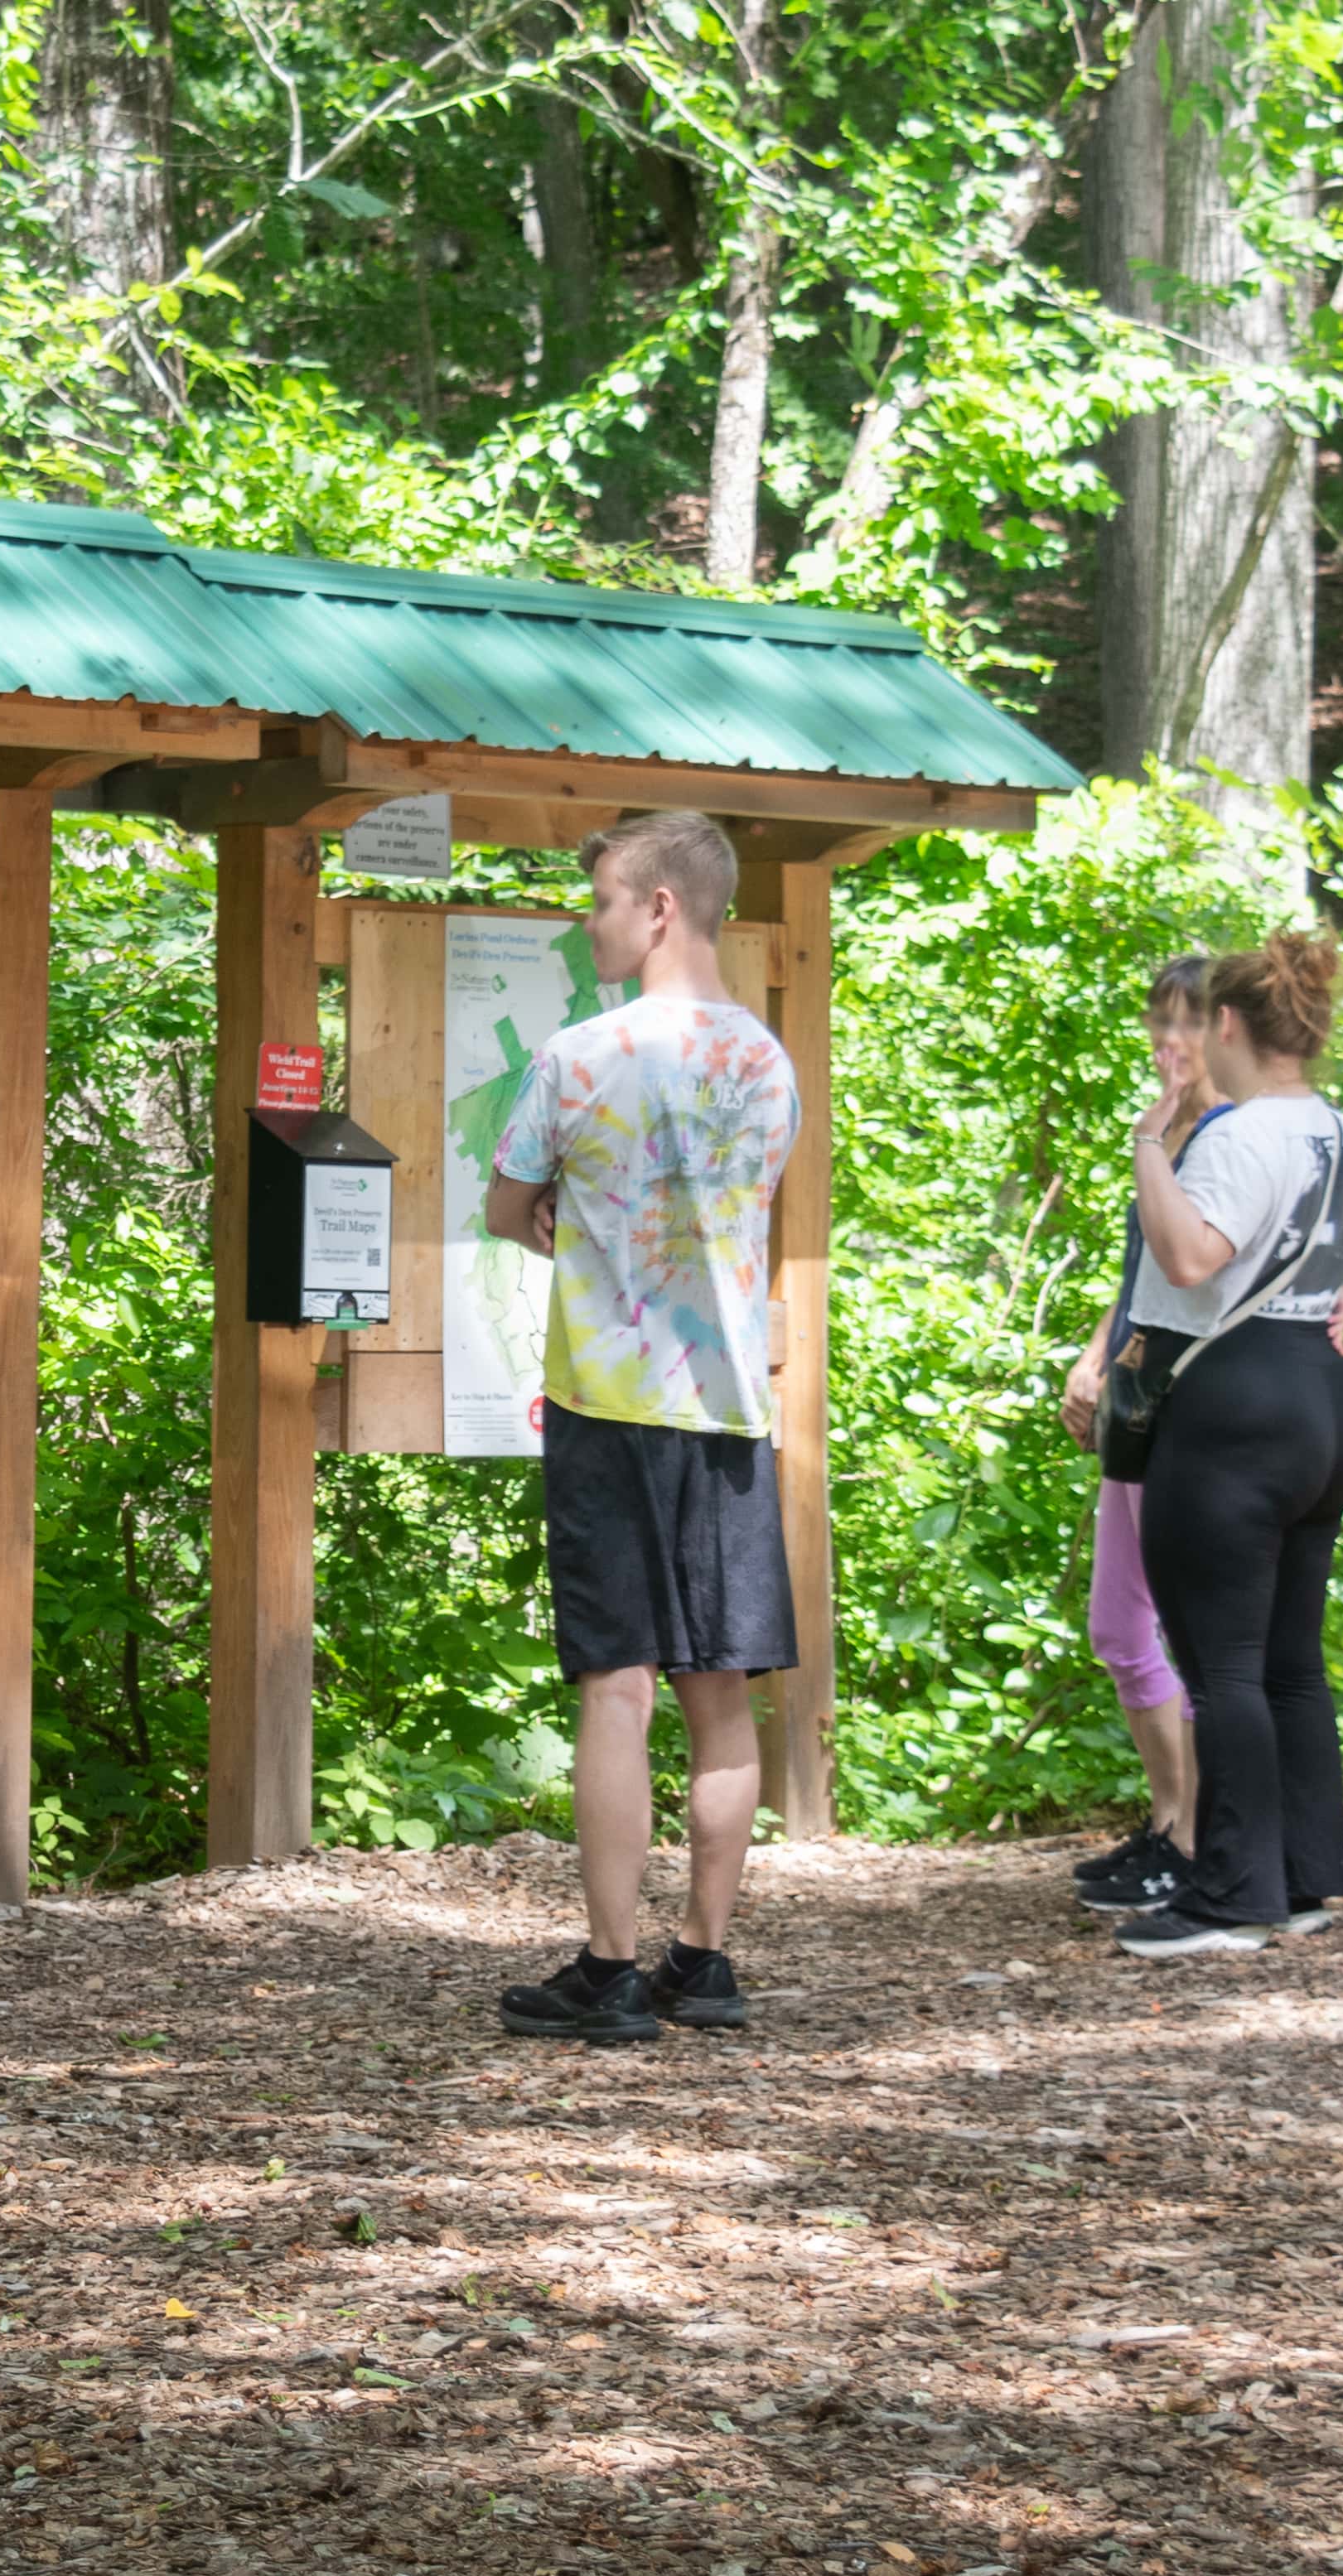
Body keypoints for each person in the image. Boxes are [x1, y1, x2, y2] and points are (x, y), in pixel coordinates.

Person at [478, 811, 803, 2043]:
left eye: (604, 898)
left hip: (606, 1402)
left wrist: (565, 1216)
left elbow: (511, 1204)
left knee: (615, 1689)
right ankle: (702, 1961)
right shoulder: (766, 1063)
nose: (589, 919)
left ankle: (607, 1969)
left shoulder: (575, 1055)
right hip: (727, 1409)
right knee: (721, 1692)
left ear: (659, 905)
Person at [1107, 927, 1343, 1958]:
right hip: (1319, 1402)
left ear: (1229, 1024)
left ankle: (1230, 1893)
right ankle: (1299, 1876)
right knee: (1289, 1660)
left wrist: (1149, 1149)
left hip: (1232, 1410)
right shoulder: (1336, 1130)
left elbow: (1191, 1257)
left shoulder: (1240, 1135)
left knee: (1222, 1663)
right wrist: (1329, 1290)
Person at [1060, 958, 1217, 1918]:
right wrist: (1091, 1359)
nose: (1164, 1044)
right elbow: (1140, 1276)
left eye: (1182, 1026)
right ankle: (1166, 1820)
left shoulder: (1237, 1139)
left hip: (1195, 1408)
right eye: (1155, 1024)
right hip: (1134, 1395)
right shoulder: (1166, 1133)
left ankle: (1195, 1836)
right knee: (1118, 1627)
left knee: (1192, 1634)